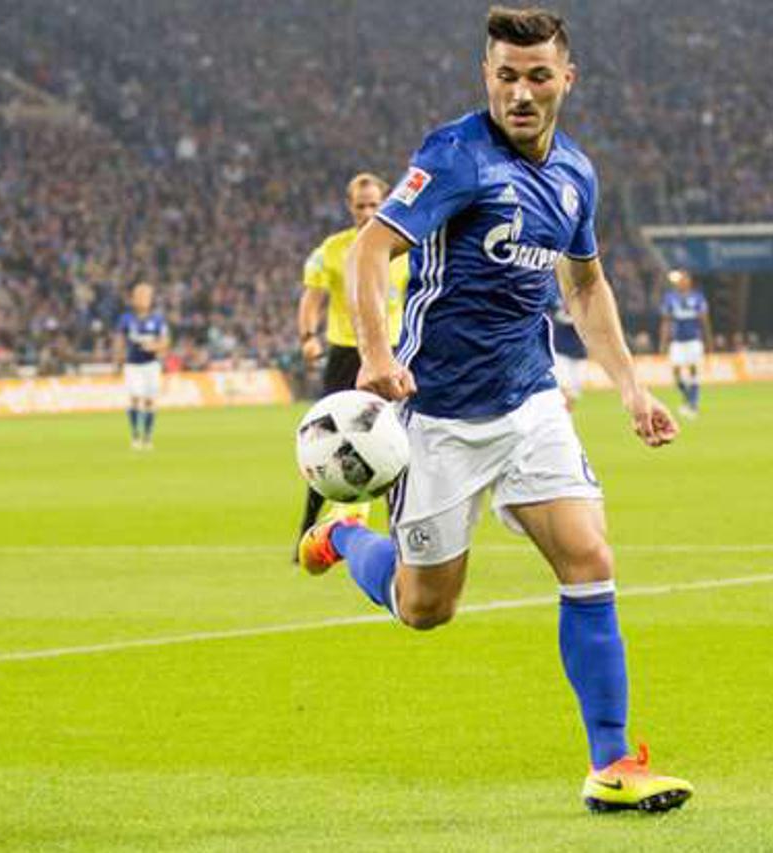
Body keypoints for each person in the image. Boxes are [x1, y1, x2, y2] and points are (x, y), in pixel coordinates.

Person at [299, 6, 692, 813]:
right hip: (438, 413)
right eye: (506, 76)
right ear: (487, 76)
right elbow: (372, 249)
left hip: (531, 400)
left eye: (537, 76)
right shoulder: (456, 155)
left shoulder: (577, 174)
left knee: (589, 559)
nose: (520, 92)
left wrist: (631, 385)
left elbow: (584, 285)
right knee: (425, 608)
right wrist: (375, 355)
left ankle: (612, 763)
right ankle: (342, 536)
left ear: (566, 79)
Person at [296, 174, 410, 546]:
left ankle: (401, 532)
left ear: (386, 201)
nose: (368, 212)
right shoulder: (331, 249)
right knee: (323, 441)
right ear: (350, 206)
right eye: (361, 206)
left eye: (374, 204)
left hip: (393, 352)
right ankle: (308, 532)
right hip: (345, 352)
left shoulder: (404, 247)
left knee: (400, 443)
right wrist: (308, 336)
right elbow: (312, 299)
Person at [114, 282, 169, 450]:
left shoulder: (158, 319)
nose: (143, 299)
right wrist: (118, 359)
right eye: (139, 296)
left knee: (150, 400)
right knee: (135, 398)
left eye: (146, 296)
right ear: (133, 299)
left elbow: (165, 341)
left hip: (151, 365)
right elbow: (119, 340)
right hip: (133, 365)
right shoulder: (126, 319)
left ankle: (147, 436)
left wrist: (155, 347)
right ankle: (135, 434)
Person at [658, 269, 713, 418]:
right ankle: (688, 397)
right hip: (677, 341)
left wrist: (708, 340)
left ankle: (693, 404)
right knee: (676, 372)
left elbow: (704, 320)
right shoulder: (670, 298)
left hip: (694, 340)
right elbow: (666, 321)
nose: (682, 283)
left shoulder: (698, 298)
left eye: (684, 280)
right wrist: (663, 342)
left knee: (693, 369)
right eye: (680, 280)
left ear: (689, 282)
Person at [550, 258, 590, 409]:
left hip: (579, 352)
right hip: (560, 350)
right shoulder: (552, 290)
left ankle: (565, 419)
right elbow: (551, 313)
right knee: (563, 393)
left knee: (573, 397)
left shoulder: (584, 290)